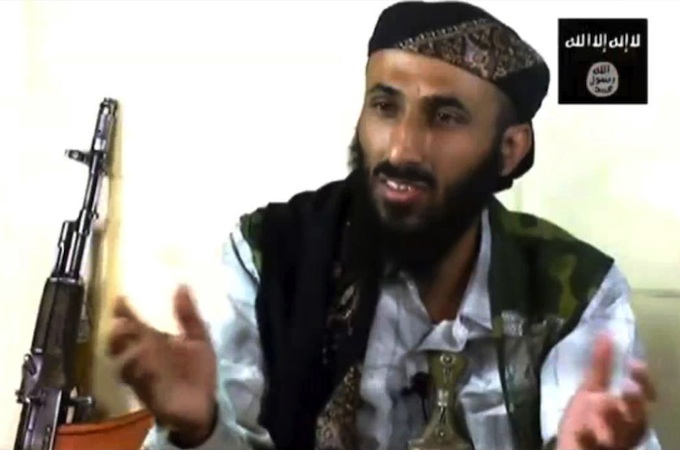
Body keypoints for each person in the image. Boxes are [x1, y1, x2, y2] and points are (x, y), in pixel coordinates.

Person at [108, 1, 662, 449]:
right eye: (384, 106)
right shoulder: (272, 255)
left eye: (446, 116)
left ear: (509, 149)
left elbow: (594, 430)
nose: (401, 149)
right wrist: (200, 430)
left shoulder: (575, 291)